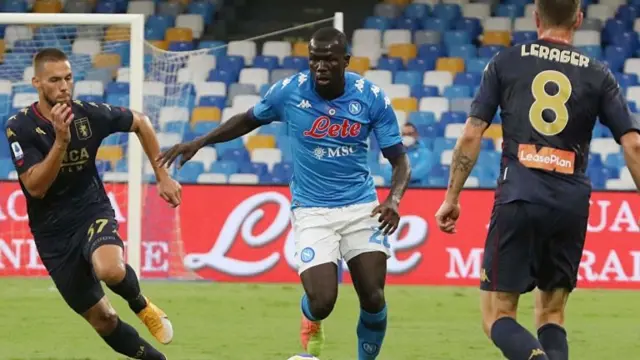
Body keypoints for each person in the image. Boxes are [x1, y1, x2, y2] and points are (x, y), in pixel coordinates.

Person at [158, 27, 411, 359]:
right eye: (314, 61)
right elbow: (247, 120)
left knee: (374, 297)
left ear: (345, 61)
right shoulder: (290, 92)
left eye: (329, 61)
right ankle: (310, 317)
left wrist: (393, 199)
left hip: (361, 207)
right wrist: (199, 142)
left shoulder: (370, 97)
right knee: (322, 302)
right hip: (312, 211)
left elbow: (400, 160)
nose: (320, 67)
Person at [434, 0, 640, 359]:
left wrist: (452, 197)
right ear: (578, 19)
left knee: (497, 316)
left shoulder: (506, 62)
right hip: (571, 203)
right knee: (552, 314)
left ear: (535, 17)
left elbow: (471, 134)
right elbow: (633, 143)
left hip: (520, 194)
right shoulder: (598, 73)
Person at [5, 48, 182, 360]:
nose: (64, 86)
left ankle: (140, 304)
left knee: (110, 269)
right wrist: (61, 142)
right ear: (36, 83)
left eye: (69, 78)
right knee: (105, 320)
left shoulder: (89, 114)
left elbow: (140, 122)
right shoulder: (18, 127)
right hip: (52, 235)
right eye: (55, 79)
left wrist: (162, 175)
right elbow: (35, 188)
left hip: (91, 210)